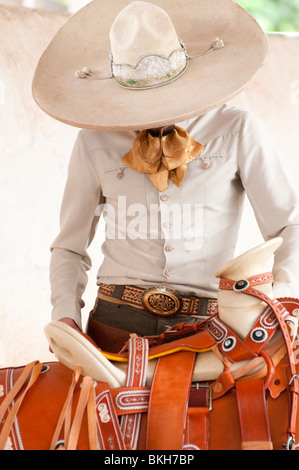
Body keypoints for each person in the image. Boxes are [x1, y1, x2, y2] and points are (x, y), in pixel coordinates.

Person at [33, 0, 299, 353]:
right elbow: (69, 245)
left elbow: (288, 225)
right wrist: (64, 315)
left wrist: (282, 301)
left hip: (209, 329)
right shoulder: (93, 141)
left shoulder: (236, 128)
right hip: (114, 323)